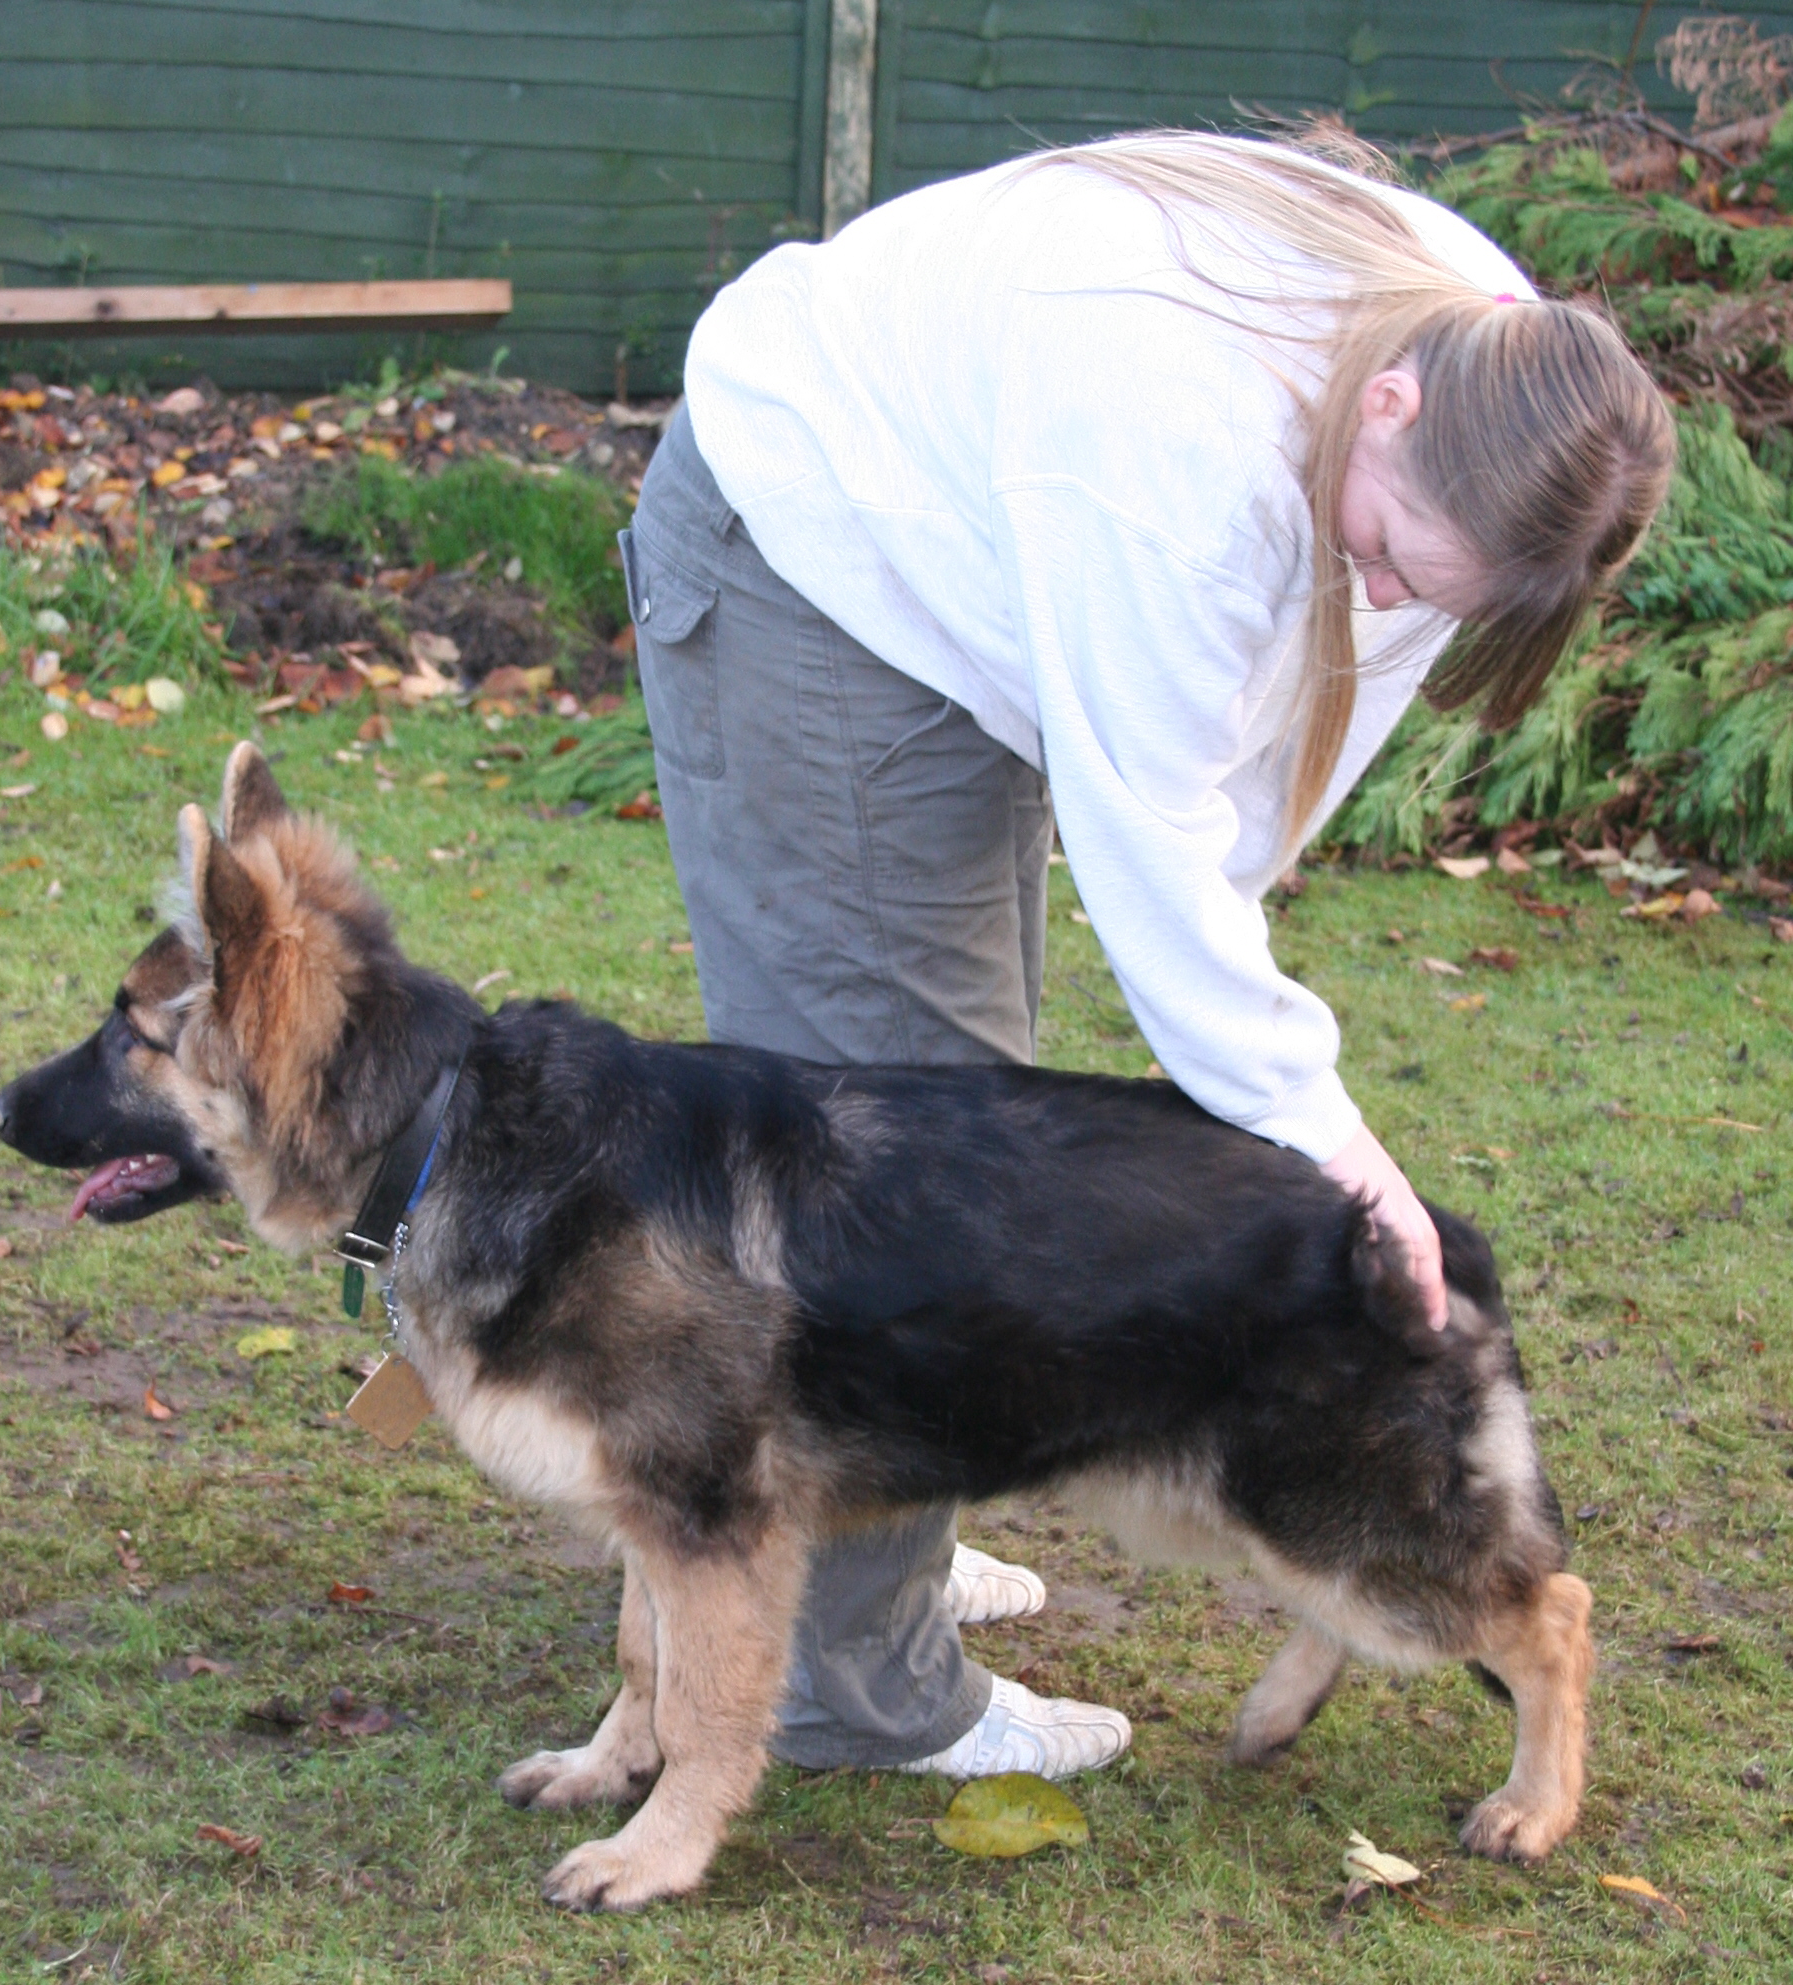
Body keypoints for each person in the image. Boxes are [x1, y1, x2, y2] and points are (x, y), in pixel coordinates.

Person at [622, 132, 1674, 1783]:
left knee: (967, 1104)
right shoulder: (1178, 436)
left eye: (1432, 593)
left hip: (968, 566)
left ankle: (881, 1504)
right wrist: (1330, 1149)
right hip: (813, 561)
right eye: (1388, 550)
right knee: (883, 1156)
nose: (1386, 587)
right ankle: (856, 1682)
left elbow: (1271, 754)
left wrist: (1261, 1030)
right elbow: (1149, 845)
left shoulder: (1501, 397)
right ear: (1385, 407)